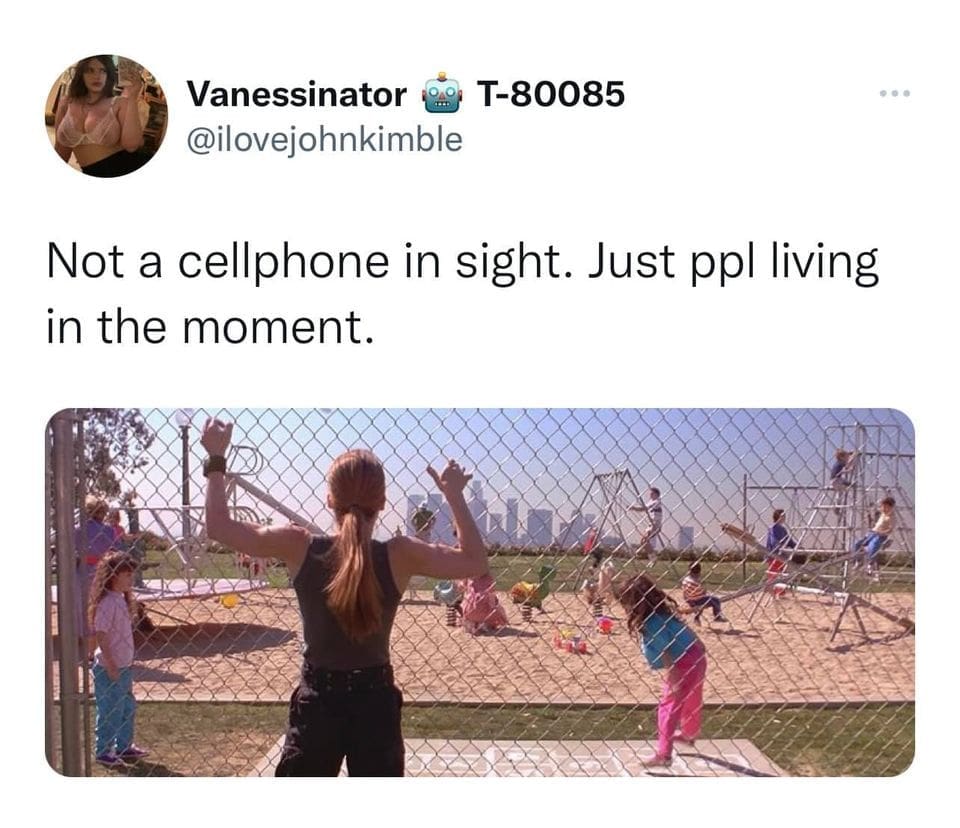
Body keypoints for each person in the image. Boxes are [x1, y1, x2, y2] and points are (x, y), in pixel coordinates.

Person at [200, 417, 488, 776]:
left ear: (329, 499)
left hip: (319, 702)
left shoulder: (298, 545)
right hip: (374, 703)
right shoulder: (399, 554)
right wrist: (454, 496)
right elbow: (475, 561)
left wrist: (215, 457)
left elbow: (218, 527)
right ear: (382, 501)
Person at [600, 568, 707, 767]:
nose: (624, 607)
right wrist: (606, 576)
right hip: (696, 655)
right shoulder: (661, 612)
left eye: (627, 602)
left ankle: (664, 754)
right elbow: (610, 594)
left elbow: (666, 650)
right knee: (692, 698)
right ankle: (689, 734)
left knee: (668, 707)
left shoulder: (652, 622)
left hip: (682, 663)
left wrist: (673, 675)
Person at [88, 551, 149, 767]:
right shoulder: (107, 603)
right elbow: (101, 636)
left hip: (124, 665)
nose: (131, 579)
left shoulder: (121, 600)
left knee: (126, 707)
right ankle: (103, 750)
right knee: (109, 709)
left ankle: (124, 745)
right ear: (114, 576)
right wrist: (111, 663)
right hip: (109, 667)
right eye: (127, 575)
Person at [54, 55, 146, 177]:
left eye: (103, 71)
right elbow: (61, 152)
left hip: (128, 169)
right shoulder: (66, 104)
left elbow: (132, 146)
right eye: (90, 70)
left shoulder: (120, 103)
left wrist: (133, 97)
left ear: (109, 75)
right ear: (81, 74)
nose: (97, 76)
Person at [75, 496, 121, 654]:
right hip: (104, 571)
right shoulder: (109, 530)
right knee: (102, 607)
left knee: (84, 609)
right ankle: (101, 647)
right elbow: (117, 550)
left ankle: (89, 650)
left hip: (84, 571)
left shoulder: (79, 529)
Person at [853, 496, 896, 581]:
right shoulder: (883, 513)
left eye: (884, 506)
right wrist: (870, 507)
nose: (882, 508)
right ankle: (858, 561)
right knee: (857, 544)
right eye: (882, 506)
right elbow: (874, 509)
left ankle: (870, 565)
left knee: (873, 546)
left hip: (880, 535)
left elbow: (890, 529)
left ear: (889, 507)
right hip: (872, 533)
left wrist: (882, 532)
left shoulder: (891, 517)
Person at [764, 509, 797, 597]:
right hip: (774, 555)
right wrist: (781, 547)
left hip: (782, 555)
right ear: (778, 517)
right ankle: (773, 592)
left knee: (782, 574)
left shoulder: (783, 529)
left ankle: (780, 591)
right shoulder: (773, 528)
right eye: (783, 516)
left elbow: (789, 540)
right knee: (774, 574)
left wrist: (795, 546)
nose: (784, 518)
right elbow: (773, 541)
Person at [630, 487, 664, 562]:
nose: (650, 495)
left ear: (656, 494)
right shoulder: (651, 501)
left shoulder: (657, 502)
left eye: (652, 493)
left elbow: (643, 508)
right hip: (651, 524)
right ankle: (652, 557)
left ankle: (653, 557)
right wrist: (634, 508)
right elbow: (643, 508)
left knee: (644, 541)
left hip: (655, 524)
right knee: (643, 541)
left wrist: (633, 508)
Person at [830, 449, 857, 518]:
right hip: (837, 480)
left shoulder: (838, 463)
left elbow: (842, 471)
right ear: (842, 457)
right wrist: (854, 456)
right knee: (849, 485)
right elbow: (848, 464)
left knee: (839, 492)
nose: (847, 458)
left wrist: (849, 469)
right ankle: (837, 506)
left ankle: (837, 506)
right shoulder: (841, 463)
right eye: (846, 456)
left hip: (834, 480)